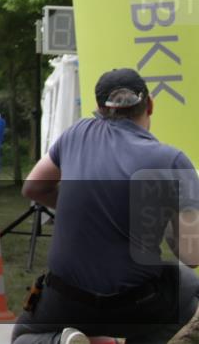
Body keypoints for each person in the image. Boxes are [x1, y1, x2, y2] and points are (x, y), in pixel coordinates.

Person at [11, 68, 199, 344]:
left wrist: (84, 208)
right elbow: (191, 255)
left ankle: (61, 341)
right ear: (150, 104)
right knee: (188, 292)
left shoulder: (75, 134)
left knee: (23, 336)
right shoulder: (171, 160)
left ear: (98, 109)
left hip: (67, 298)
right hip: (137, 303)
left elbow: (33, 187)